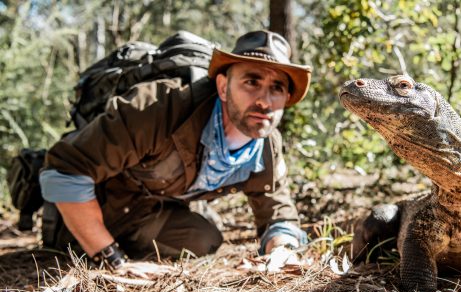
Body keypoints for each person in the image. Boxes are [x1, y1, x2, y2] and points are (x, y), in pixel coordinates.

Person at [39, 30, 312, 270]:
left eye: (277, 87)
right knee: (71, 247)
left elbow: (278, 209)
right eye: (252, 82)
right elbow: (63, 169)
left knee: (204, 240)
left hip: (152, 208)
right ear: (223, 87)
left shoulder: (266, 144)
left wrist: (280, 251)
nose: (265, 101)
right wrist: (113, 261)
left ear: (287, 99)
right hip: (92, 207)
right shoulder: (159, 107)